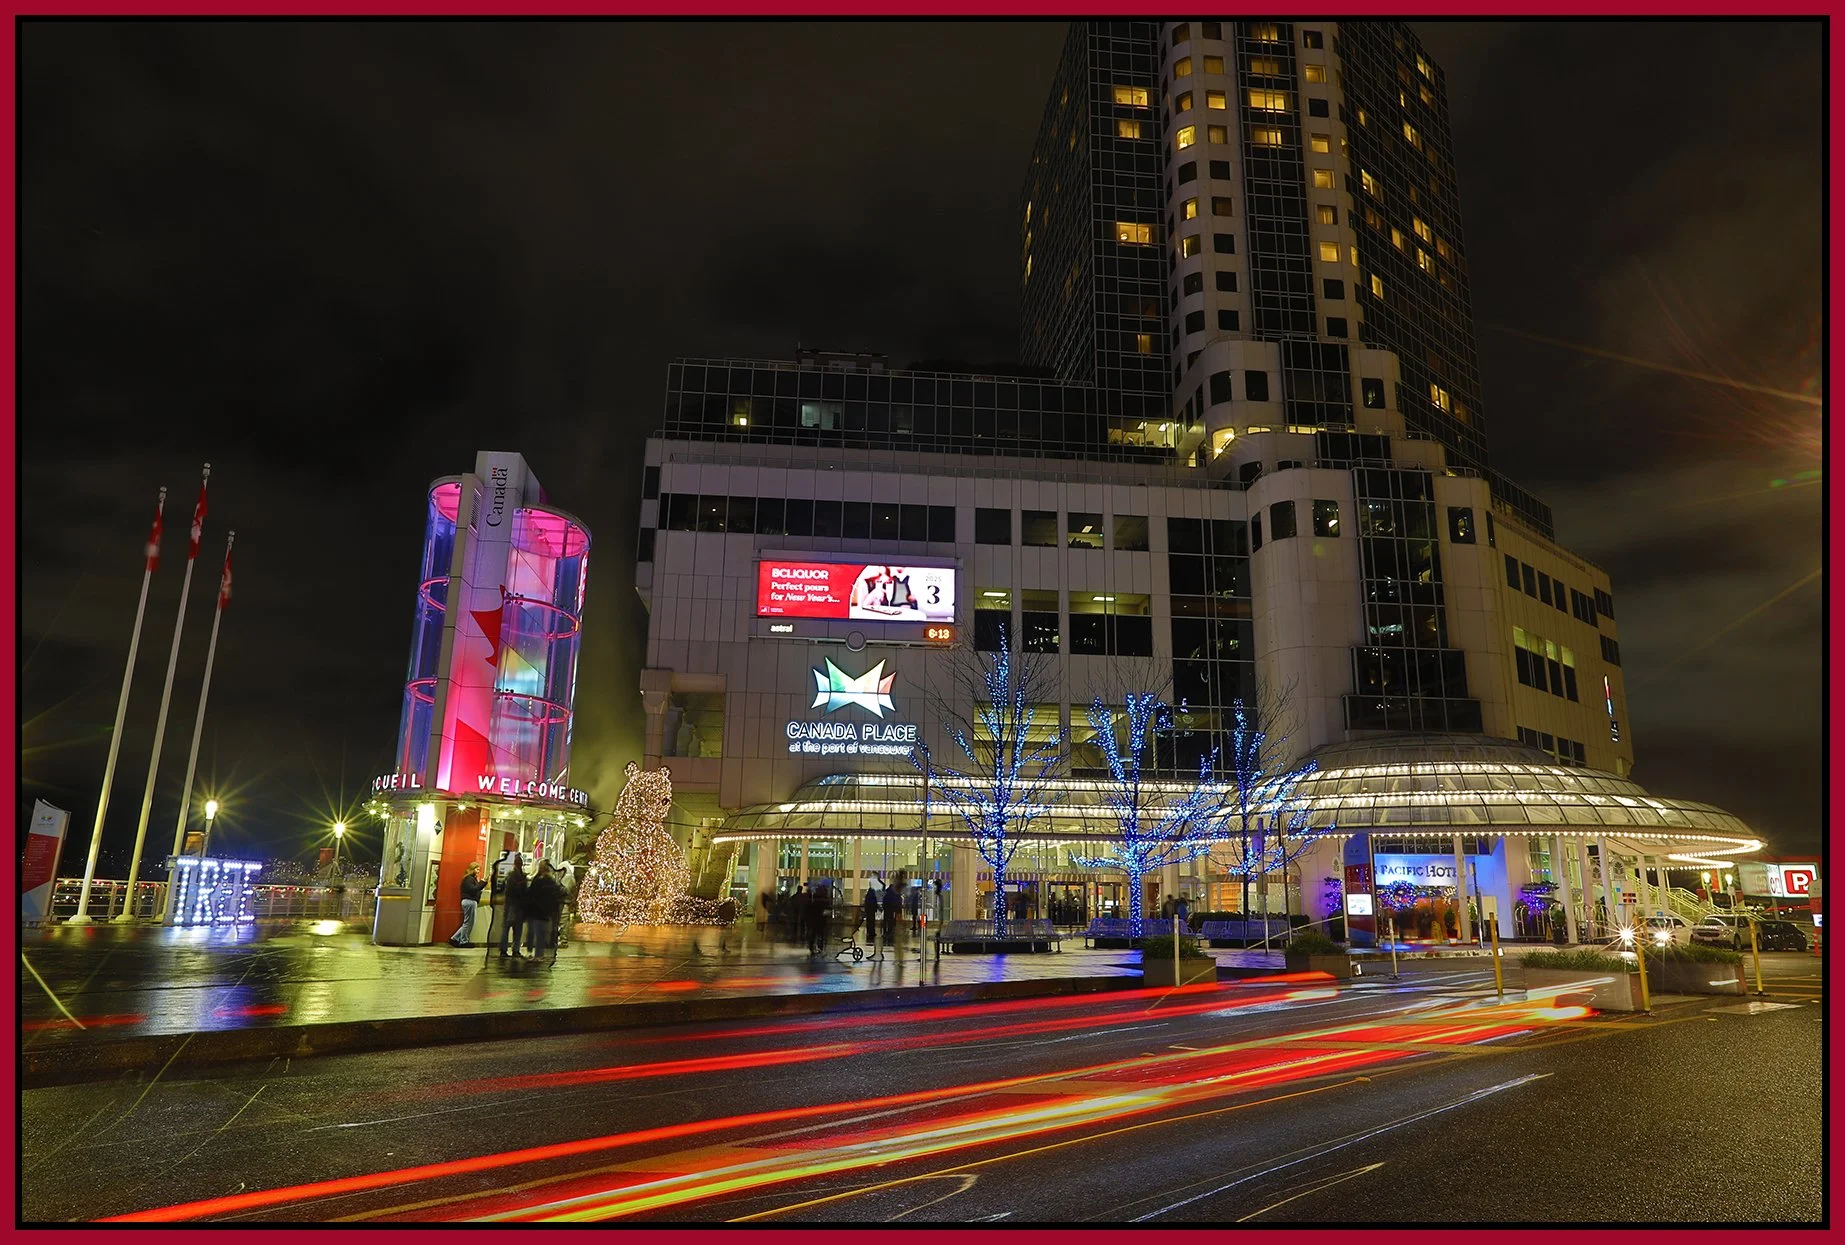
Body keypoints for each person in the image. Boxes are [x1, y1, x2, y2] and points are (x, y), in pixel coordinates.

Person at [524, 860, 567, 961]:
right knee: (540, 934)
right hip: (543, 912)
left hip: (537, 911)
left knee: (535, 933)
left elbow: (531, 894)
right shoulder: (549, 881)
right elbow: (558, 893)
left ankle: (533, 953)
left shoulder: (538, 880)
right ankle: (538, 954)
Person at [498, 855, 529, 958]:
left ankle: (503, 949)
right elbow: (524, 892)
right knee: (517, 929)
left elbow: (505, 890)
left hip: (510, 905)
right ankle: (515, 950)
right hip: (519, 906)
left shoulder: (510, 876)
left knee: (506, 928)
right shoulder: (522, 877)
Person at [449, 863, 484, 947]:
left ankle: (455, 938)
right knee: (468, 922)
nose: (478, 871)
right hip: (470, 901)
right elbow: (473, 889)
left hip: (469, 901)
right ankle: (464, 941)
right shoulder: (469, 879)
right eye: (477, 869)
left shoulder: (470, 879)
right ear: (472, 869)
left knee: (468, 922)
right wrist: (483, 882)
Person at [807, 882, 832, 955]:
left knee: (815, 933)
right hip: (820, 919)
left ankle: (813, 947)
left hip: (815, 918)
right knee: (820, 934)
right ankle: (819, 947)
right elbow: (827, 909)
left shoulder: (815, 898)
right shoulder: (824, 899)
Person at [861, 881, 879, 945]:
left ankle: (869, 931)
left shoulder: (869, 892)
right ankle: (871, 932)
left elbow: (867, 901)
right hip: (871, 909)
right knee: (871, 921)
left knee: (869, 921)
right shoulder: (872, 892)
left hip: (869, 909)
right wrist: (876, 907)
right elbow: (874, 901)